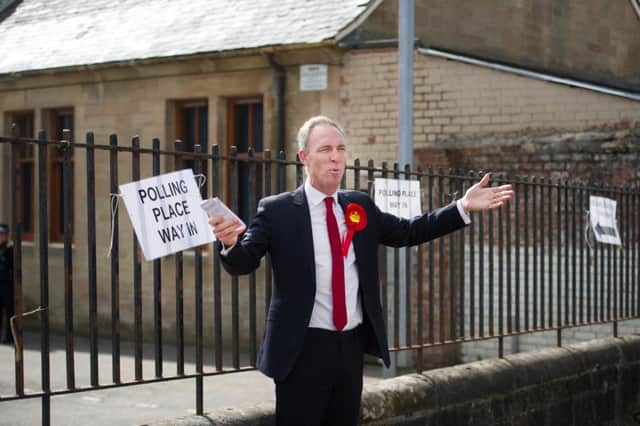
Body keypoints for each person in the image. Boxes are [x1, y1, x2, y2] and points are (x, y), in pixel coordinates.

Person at [209, 116, 513, 425]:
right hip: (302, 350)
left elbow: (408, 231)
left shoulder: (359, 205)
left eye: (340, 148)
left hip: (349, 347)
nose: (335, 157)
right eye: (325, 149)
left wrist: (461, 206)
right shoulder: (277, 210)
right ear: (304, 157)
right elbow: (243, 263)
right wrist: (231, 243)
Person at [0, 223, 13, 344]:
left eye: (3, 234)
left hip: (7, 285)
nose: (1, 236)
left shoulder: (9, 249)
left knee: (9, 311)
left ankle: (9, 335)